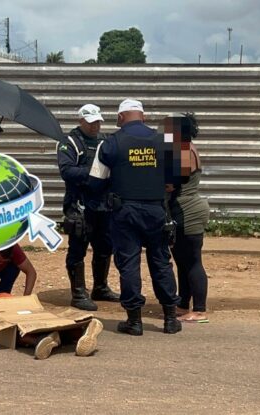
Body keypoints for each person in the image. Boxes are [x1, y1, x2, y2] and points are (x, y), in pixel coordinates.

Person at [88, 99, 182, 336]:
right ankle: (170, 318)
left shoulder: (110, 143)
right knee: (161, 261)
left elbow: (95, 182)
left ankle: (134, 321)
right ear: (143, 116)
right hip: (156, 210)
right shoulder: (164, 141)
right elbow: (175, 180)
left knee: (129, 263)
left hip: (125, 212)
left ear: (120, 118)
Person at [57, 104, 120, 311]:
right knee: (78, 248)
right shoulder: (69, 143)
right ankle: (78, 293)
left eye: (98, 122)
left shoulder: (106, 141)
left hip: (103, 205)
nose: (95, 126)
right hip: (79, 205)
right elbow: (67, 171)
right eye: (91, 123)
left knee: (105, 247)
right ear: (81, 121)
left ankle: (100, 288)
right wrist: (95, 172)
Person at [164, 113, 210, 324]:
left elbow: (170, 185)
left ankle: (199, 310)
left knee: (192, 261)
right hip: (186, 209)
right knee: (182, 262)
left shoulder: (182, 151)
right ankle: (183, 304)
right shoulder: (188, 148)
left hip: (187, 211)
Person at [0, 293, 104, 360]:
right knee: (48, 323)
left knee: (15, 333)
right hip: (22, 305)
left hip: (0, 313)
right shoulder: (6, 294)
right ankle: (80, 332)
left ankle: (39, 340)